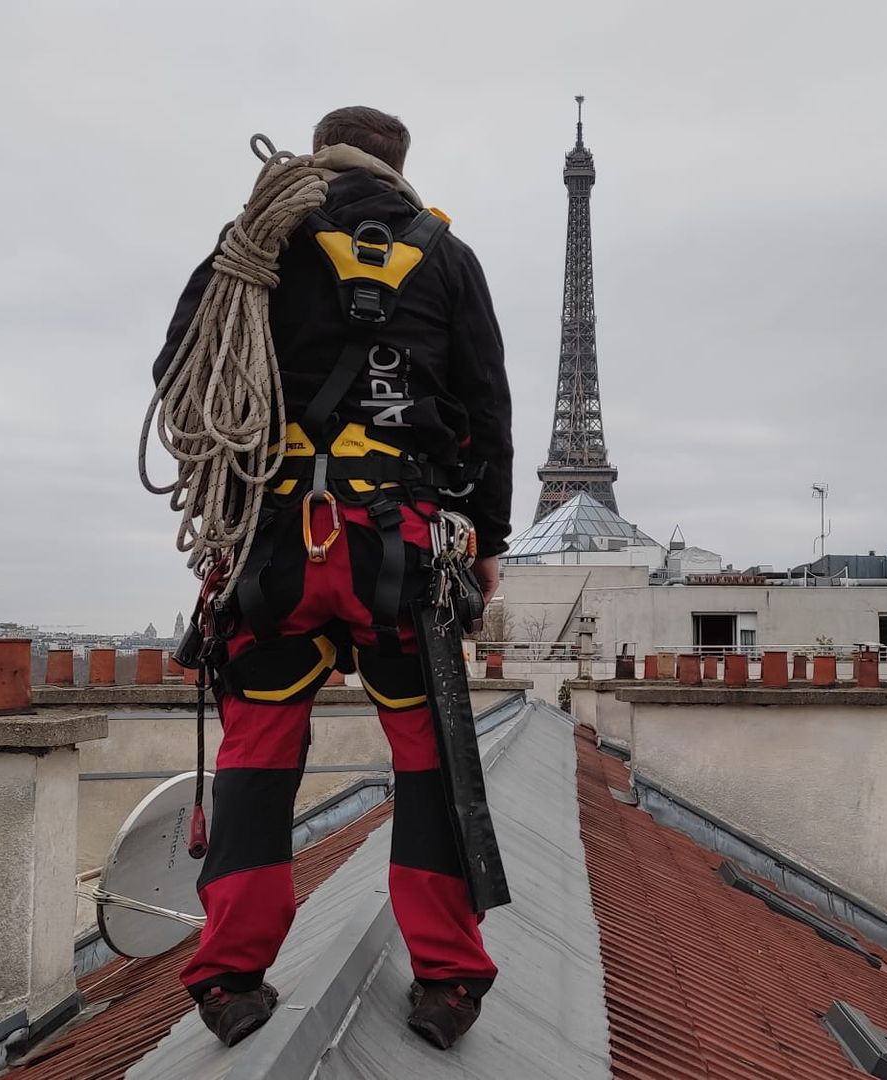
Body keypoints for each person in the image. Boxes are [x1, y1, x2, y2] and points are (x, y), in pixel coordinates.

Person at [151, 106, 512, 1051]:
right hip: (395, 549)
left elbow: (180, 369)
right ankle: (446, 982)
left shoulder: (256, 244)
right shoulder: (447, 256)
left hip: (272, 548)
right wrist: (487, 540)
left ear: (319, 156)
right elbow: (487, 409)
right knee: (428, 767)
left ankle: (229, 979)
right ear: (400, 167)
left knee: (258, 762)